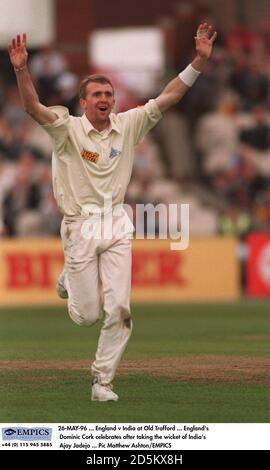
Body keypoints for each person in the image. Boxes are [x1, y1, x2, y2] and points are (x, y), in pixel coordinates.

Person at [8, 24, 216, 402]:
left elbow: (168, 97)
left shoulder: (128, 125)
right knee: (86, 315)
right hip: (80, 226)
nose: (105, 98)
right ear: (83, 102)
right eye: (97, 94)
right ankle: (70, 279)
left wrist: (198, 62)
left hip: (117, 222)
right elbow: (32, 108)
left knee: (119, 307)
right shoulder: (66, 130)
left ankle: (102, 381)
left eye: (109, 93)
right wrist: (22, 70)